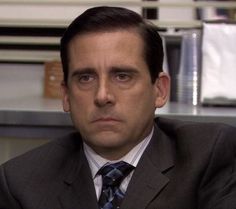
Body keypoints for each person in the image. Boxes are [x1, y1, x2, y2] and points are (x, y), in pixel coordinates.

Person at [0, 6, 236, 209]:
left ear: (160, 90)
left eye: (122, 76)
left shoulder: (208, 156)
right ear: (66, 95)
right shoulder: (21, 183)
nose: (103, 96)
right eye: (85, 78)